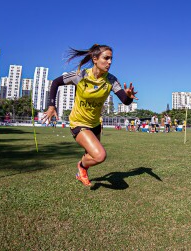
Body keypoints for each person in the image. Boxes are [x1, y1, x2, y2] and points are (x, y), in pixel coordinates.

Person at [42, 44, 138, 187]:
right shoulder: (80, 75)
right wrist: (51, 106)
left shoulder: (111, 80)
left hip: (95, 124)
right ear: (95, 59)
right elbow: (56, 82)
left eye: (111, 59)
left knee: (90, 155)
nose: (110, 62)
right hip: (79, 122)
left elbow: (125, 101)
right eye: (106, 58)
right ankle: (81, 166)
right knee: (100, 156)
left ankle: (82, 172)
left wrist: (129, 96)